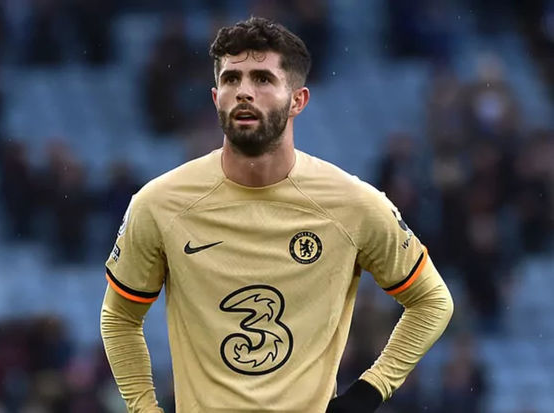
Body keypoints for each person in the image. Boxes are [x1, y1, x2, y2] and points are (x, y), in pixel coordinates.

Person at [100, 17, 453, 413]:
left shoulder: (354, 204)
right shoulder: (159, 204)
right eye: (231, 79)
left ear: (298, 100)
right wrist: (144, 408)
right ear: (216, 97)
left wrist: (369, 392)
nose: (244, 91)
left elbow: (432, 300)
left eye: (263, 79)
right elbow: (119, 318)